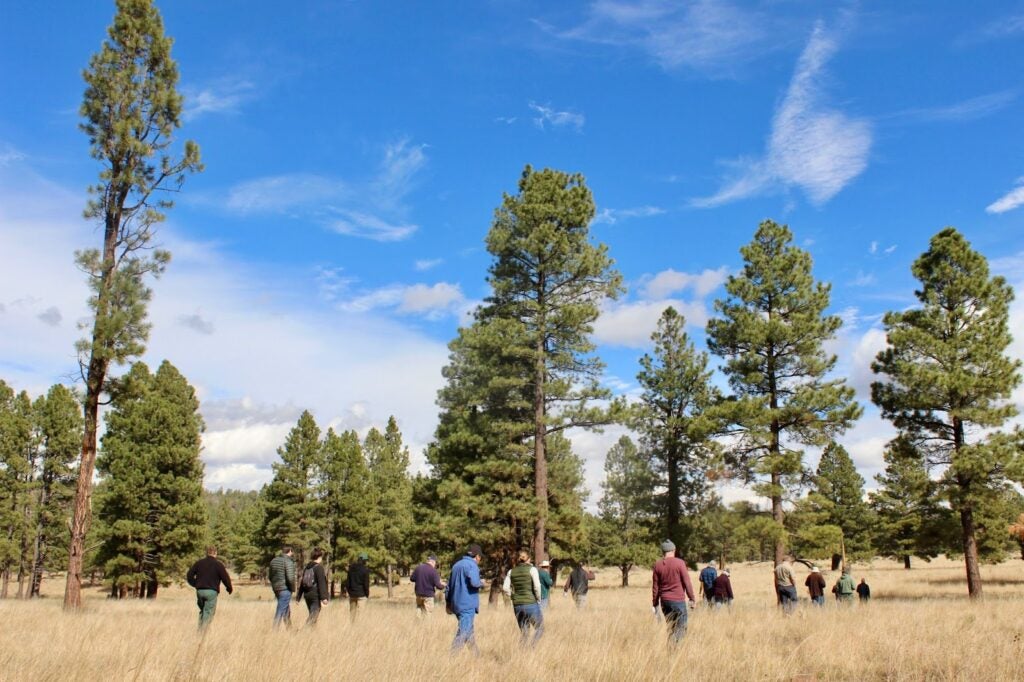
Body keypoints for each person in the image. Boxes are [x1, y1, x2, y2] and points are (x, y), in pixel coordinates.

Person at [652, 540, 696, 644]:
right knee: (681, 628)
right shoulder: (680, 563)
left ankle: (670, 650)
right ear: (673, 550)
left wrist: (655, 603)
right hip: (678, 601)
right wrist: (692, 598)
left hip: (664, 602)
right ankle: (675, 651)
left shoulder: (657, 565)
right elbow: (687, 582)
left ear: (663, 551)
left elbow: (655, 587)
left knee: (671, 628)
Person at [446, 544, 484, 655]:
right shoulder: (472, 566)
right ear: (477, 556)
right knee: (463, 632)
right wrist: (482, 583)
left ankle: (477, 657)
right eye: (480, 557)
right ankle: (451, 658)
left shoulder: (456, 565)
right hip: (467, 604)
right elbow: (474, 582)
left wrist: (448, 603)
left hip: (456, 604)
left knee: (469, 633)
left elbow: (449, 586)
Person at [502, 550, 544, 646]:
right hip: (531, 603)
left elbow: (505, 588)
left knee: (524, 633)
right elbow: (537, 586)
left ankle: (522, 653)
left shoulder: (511, 571)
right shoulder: (532, 569)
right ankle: (532, 647)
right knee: (540, 628)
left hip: (517, 606)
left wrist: (513, 596)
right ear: (528, 559)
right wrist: (538, 599)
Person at [186, 546, 233, 630]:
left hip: (200, 591)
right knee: (208, 612)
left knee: (203, 611)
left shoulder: (199, 563)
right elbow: (225, 578)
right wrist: (229, 588)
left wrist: (195, 584)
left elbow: (189, 575)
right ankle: (203, 635)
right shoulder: (218, 564)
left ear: (207, 553)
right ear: (215, 553)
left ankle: (199, 632)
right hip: (211, 592)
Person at [296, 548, 329, 626]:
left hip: (307, 595)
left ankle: (311, 635)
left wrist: (298, 597)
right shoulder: (319, 568)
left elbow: (302, 583)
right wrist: (324, 597)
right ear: (320, 557)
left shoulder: (307, 567)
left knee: (312, 614)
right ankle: (304, 631)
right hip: (315, 595)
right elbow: (322, 583)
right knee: (313, 615)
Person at [268, 545, 296, 628]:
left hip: (276, 588)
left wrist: (274, 584)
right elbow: (290, 578)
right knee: (280, 610)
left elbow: (270, 576)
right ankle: (274, 629)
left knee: (286, 610)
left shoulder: (273, 561)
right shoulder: (288, 562)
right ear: (290, 551)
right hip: (285, 589)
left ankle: (290, 629)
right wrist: (293, 588)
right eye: (292, 552)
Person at [346, 553, 371, 620]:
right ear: (364, 560)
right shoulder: (365, 570)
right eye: (366, 560)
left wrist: (350, 592)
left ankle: (352, 628)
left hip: (352, 595)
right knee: (361, 616)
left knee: (352, 615)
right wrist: (367, 594)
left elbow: (347, 583)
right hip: (361, 595)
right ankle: (360, 629)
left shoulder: (350, 569)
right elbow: (366, 584)